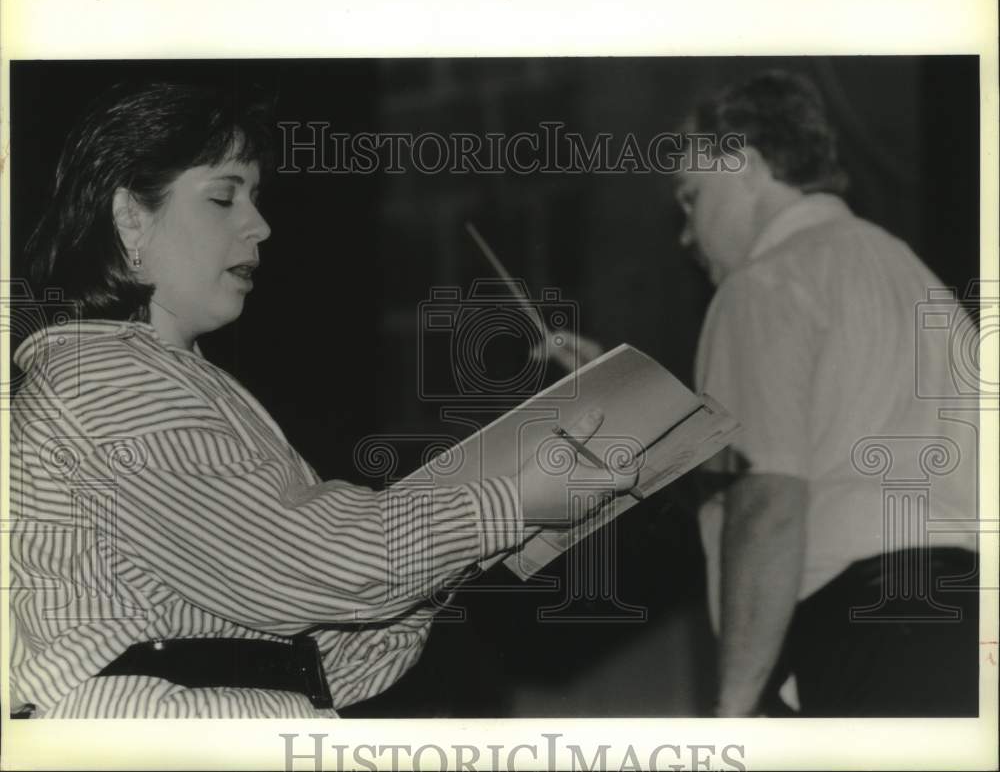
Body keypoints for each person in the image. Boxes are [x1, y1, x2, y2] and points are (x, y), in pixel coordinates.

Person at [9, 81, 637, 718]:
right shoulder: (109, 379)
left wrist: (522, 477)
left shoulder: (160, 377)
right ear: (130, 217)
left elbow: (338, 641)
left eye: (255, 197)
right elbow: (306, 565)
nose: (259, 224)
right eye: (224, 197)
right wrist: (510, 500)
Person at [676, 70, 980, 716]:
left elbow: (769, 502)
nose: (685, 233)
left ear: (745, 166)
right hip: (968, 628)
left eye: (689, 196)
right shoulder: (914, 276)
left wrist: (733, 709)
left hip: (860, 632)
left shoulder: (761, 285)